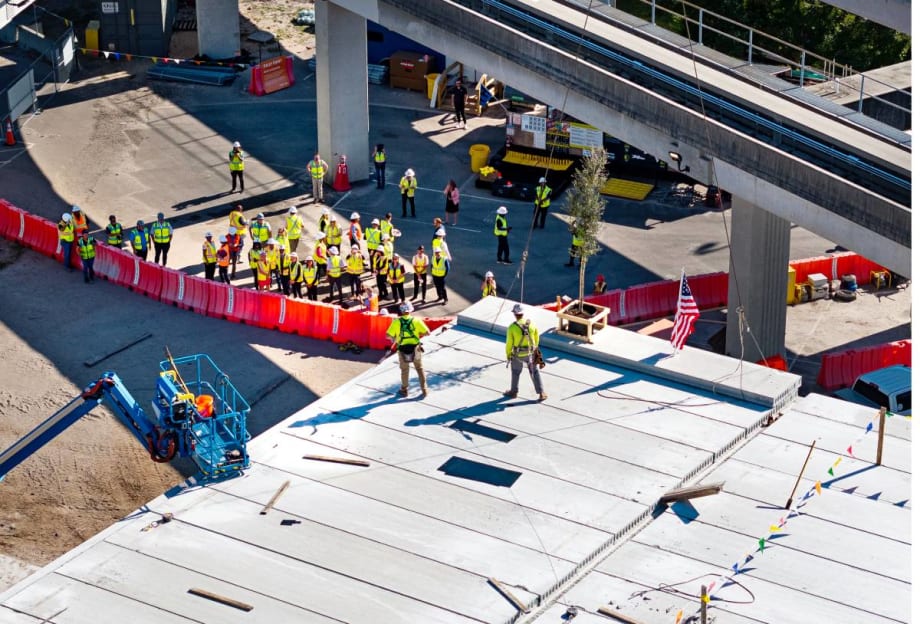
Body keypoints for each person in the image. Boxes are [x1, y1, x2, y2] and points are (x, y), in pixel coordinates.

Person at [386, 301, 430, 398]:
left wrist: (395, 339)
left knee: (405, 370)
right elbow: (427, 332)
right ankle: (424, 390)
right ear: (410, 309)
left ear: (401, 311)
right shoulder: (416, 320)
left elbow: (388, 335)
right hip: (416, 348)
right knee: (419, 368)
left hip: (402, 349)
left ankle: (404, 390)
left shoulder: (396, 322)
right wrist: (417, 334)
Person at [504, 303, 547, 401]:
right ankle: (542, 393)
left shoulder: (512, 327)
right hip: (530, 354)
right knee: (534, 372)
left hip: (517, 355)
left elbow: (509, 344)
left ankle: (513, 392)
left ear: (515, 314)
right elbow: (536, 338)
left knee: (515, 372)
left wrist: (508, 354)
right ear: (523, 314)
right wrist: (534, 348)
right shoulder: (531, 324)